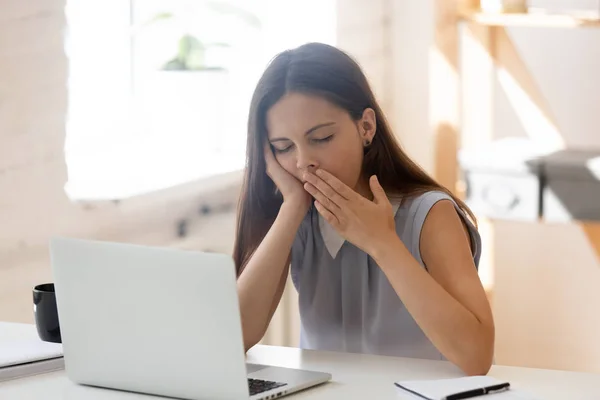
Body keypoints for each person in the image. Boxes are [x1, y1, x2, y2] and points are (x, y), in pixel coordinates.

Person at [234, 42, 494, 375]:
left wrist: (382, 243)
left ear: (366, 127)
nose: (303, 162)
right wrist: (292, 208)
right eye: (283, 147)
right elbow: (234, 337)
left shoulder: (430, 214)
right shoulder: (296, 216)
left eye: (322, 138)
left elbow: (477, 357)